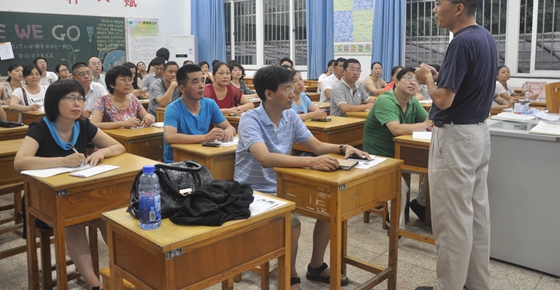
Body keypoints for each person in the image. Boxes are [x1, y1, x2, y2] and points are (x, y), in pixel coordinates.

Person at [234, 65, 369, 290]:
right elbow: (265, 159)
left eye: (292, 86)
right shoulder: (250, 119)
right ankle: (290, 274)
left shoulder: (289, 116)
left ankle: (316, 266)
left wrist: (343, 147)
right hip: (253, 191)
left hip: (283, 185)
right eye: (287, 88)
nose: (293, 92)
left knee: (330, 208)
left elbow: (315, 146)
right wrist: (310, 162)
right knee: (293, 224)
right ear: (268, 94)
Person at [414, 0, 497, 290]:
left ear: (458, 8)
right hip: (477, 134)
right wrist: (439, 78)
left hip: (455, 138)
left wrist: (426, 79)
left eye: (439, 3)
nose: (435, 9)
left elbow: (444, 100)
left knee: (451, 220)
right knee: (475, 215)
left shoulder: (460, 42)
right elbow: (464, 87)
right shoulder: (485, 37)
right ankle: (476, 284)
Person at [14, 79, 125, 290]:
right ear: (55, 101)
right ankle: (94, 284)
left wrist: (101, 152)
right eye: (70, 98)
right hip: (43, 201)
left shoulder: (83, 125)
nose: (77, 104)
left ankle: (126, 273)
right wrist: (62, 161)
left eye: (80, 98)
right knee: (72, 222)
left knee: (109, 219)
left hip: (80, 195)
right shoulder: (41, 128)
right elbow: (20, 162)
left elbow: (118, 147)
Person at [363, 68, 432, 225]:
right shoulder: (385, 100)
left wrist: (428, 123)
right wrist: (426, 124)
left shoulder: (412, 101)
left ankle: (421, 204)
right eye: (408, 78)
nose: (413, 82)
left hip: (401, 153)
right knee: (400, 187)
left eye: (416, 80)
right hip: (379, 156)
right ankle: (395, 227)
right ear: (396, 81)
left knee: (434, 168)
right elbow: (396, 129)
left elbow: (428, 122)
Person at [162, 64, 236, 163]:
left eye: (202, 81)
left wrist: (228, 132)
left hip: (203, 156)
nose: (201, 86)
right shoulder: (172, 108)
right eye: (195, 82)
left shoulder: (210, 104)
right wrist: (205, 137)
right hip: (179, 163)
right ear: (182, 89)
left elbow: (230, 127)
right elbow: (170, 137)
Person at [91, 66, 155, 129]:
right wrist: (123, 123)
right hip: (112, 137)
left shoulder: (132, 98)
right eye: (123, 80)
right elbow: (94, 124)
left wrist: (149, 117)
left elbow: (146, 115)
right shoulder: (103, 100)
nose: (128, 83)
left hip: (132, 135)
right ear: (112, 84)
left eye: (130, 80)